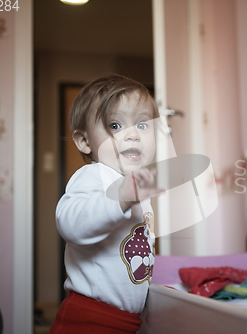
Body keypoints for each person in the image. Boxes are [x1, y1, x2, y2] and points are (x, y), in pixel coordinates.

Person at [50, 74, 162, 334]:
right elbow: (70, 223)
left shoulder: (134, 189)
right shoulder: (95, 175)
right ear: (85, 141)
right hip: (88, 319)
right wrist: (121, 197)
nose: (133, 135)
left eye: (143, 125)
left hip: (125, 321)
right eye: (115, 125)